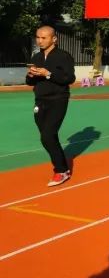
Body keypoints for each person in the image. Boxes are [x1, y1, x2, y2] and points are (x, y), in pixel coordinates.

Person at [26, 25, 76, 186]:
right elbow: (29, 82)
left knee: (47, 135)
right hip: (40, 101)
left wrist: (47, 74)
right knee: (48, 137)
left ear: (54, 39)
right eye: (37, 37)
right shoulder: (36, 57)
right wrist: (31, 75)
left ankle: (61, 171)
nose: (39, 41)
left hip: (58, 100)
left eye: (43, 38)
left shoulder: (63, 56)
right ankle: (63, 168)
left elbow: (69, 78)